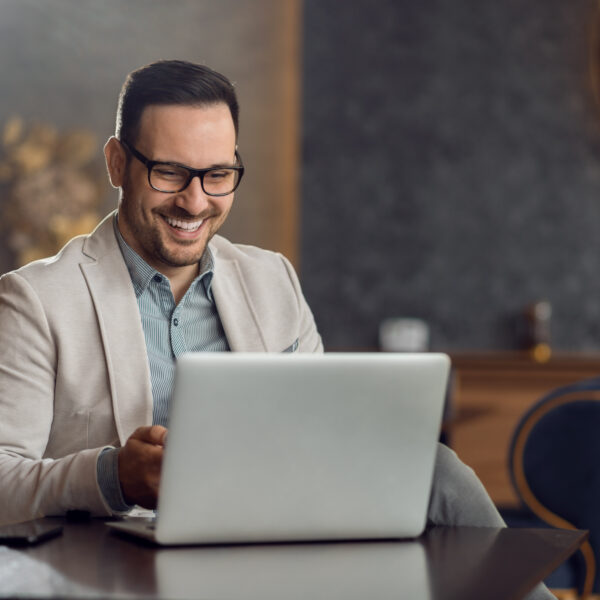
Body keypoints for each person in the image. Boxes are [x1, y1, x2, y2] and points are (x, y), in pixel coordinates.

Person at [0, 60, 553, 599]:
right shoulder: (36, 300)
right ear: (117, 163)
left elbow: (321, 432)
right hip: (125, 568)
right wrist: (113, 475)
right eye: (169, 173)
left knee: (436, 470)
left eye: (217, 175)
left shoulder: (272, 279)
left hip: (278, 546)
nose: (195, 201)